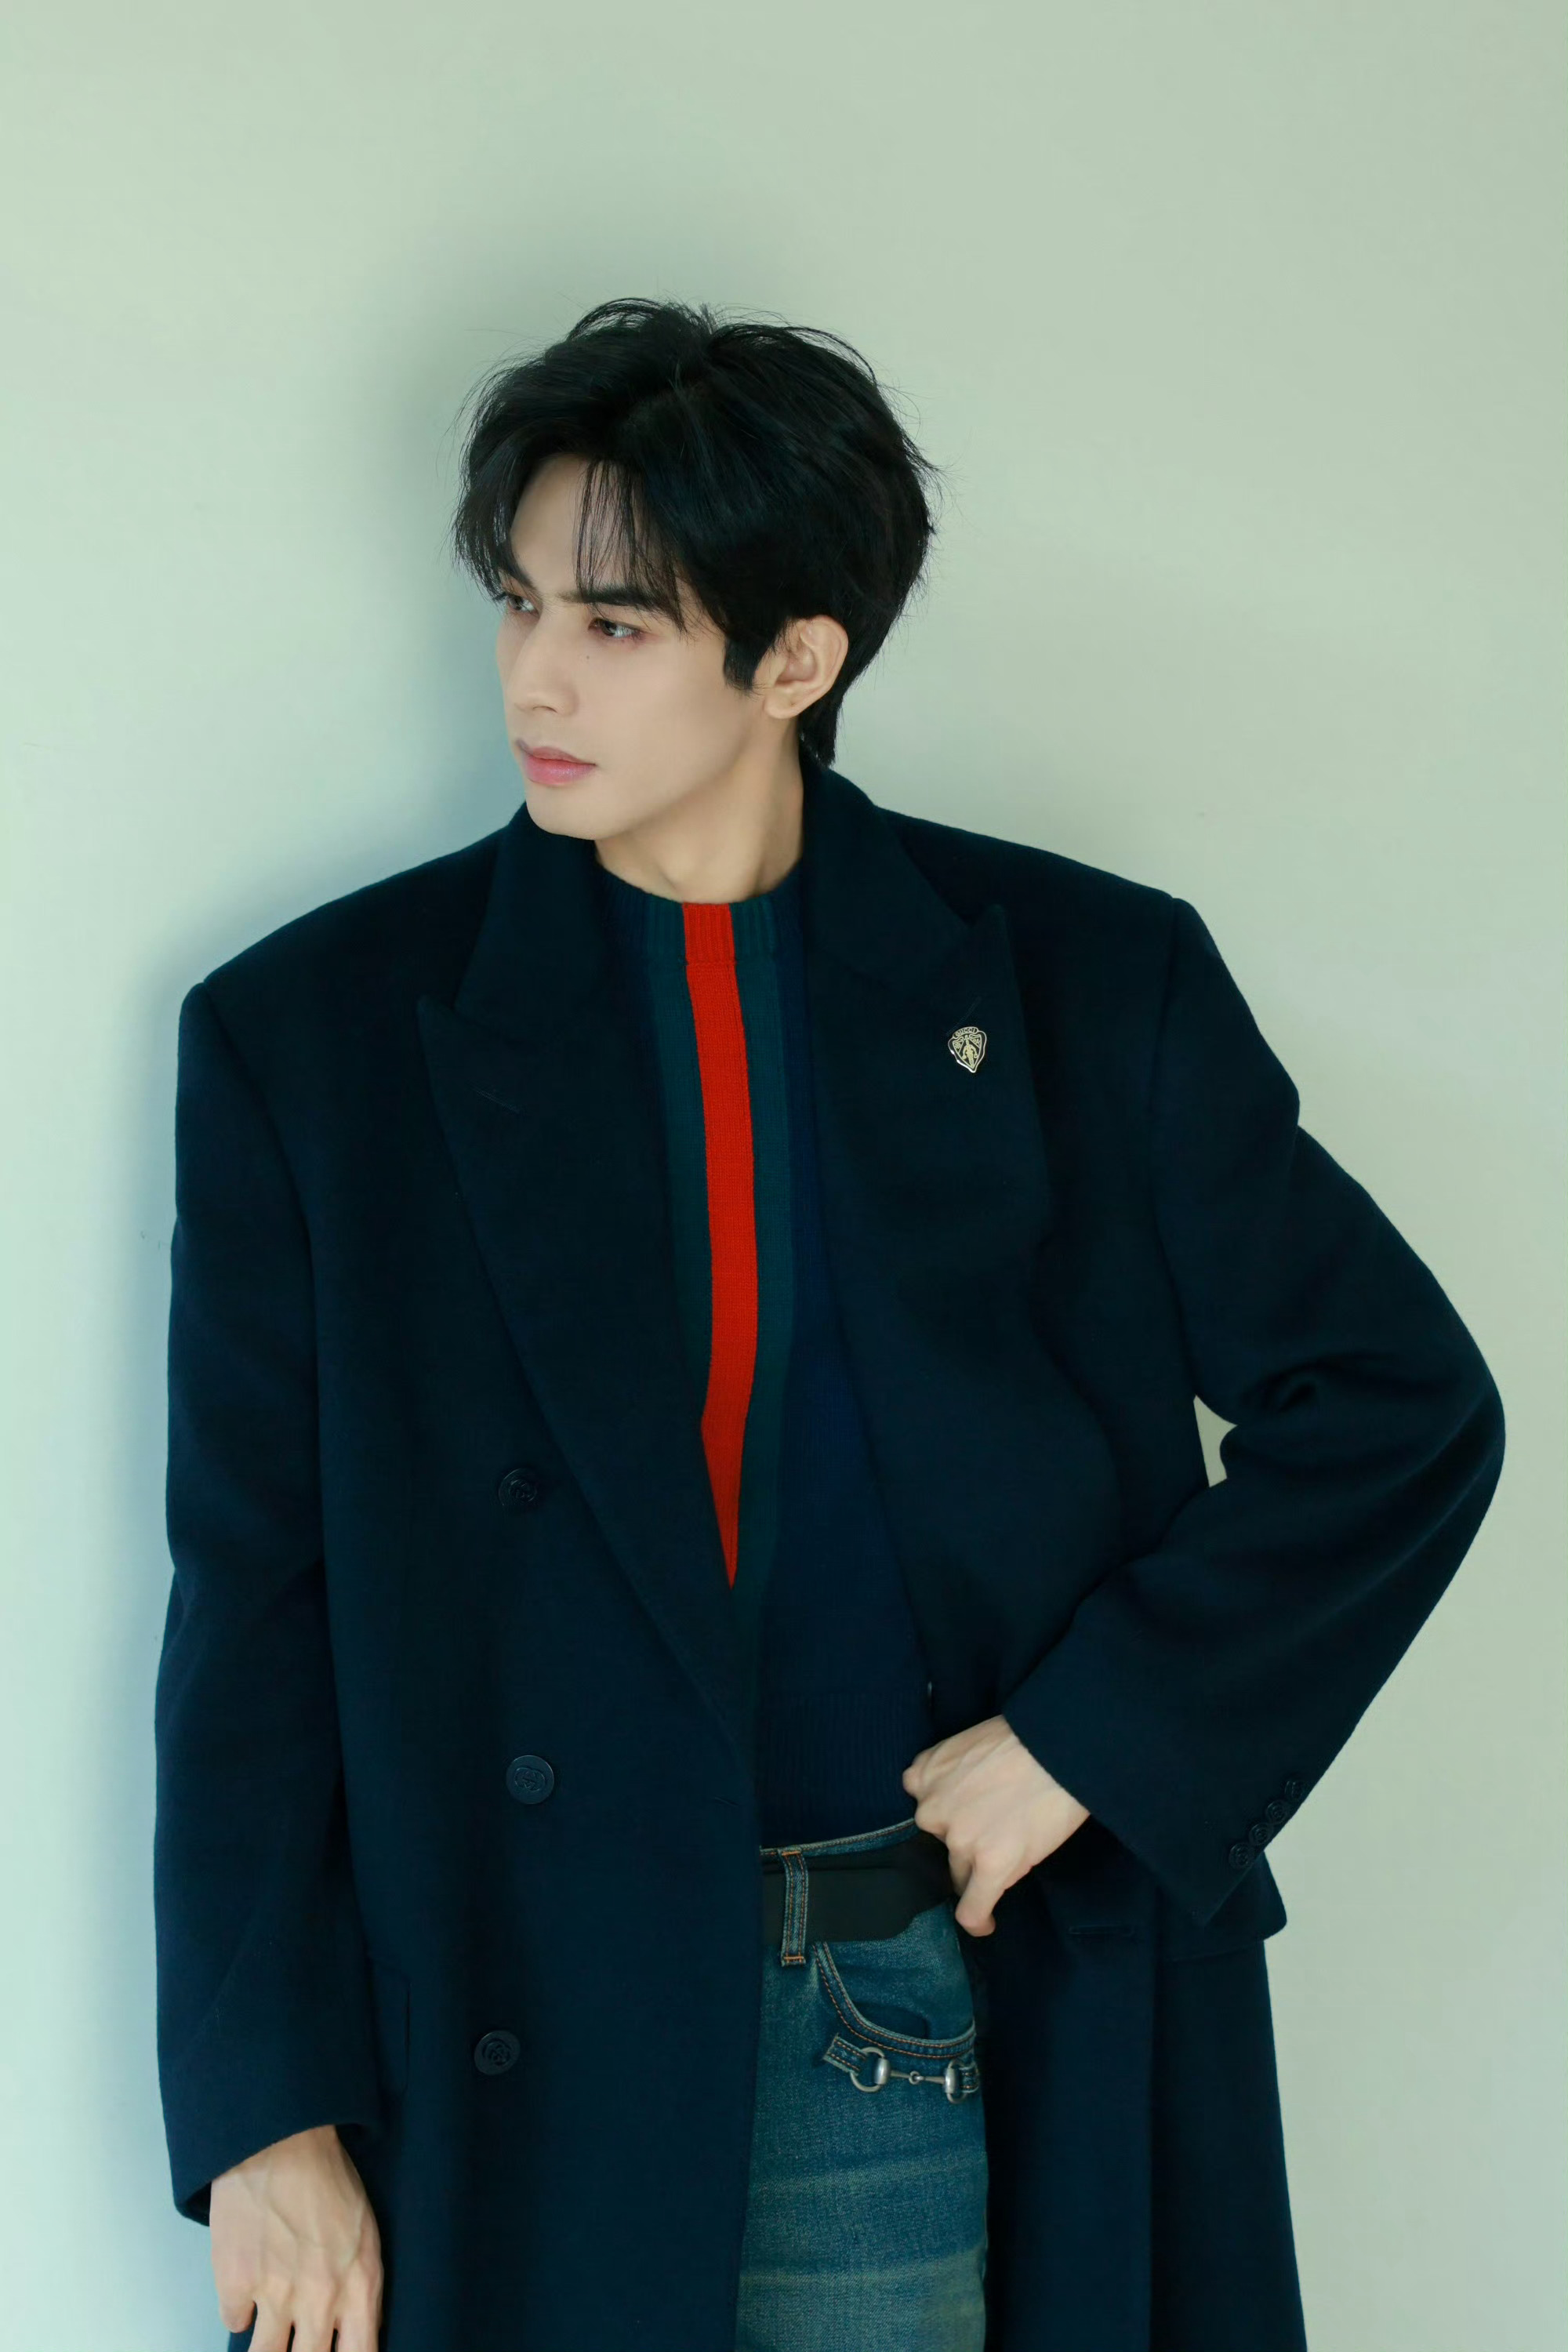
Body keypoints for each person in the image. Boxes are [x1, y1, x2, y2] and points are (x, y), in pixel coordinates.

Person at [154, 296, 1505, 2352]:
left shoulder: (1087, 986)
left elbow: (1399, 1405)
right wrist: (266, 2109)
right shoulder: (316, 1042)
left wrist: (1095, 1737)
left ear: (798, 660)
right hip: (508, 2027)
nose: (533, 676)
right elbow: (253, 1602)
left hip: (907, 2008)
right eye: (518, 601)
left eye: (616, 623)